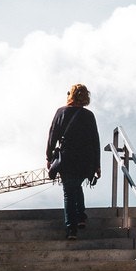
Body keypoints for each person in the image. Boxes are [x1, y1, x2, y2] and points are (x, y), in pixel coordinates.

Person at [45, 84, 101, 240]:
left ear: (70, 95)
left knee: (69, 191)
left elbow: (52, 137)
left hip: (67, 158)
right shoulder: (89, 115)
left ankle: (72, 229)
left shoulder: (61, 112)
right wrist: (97, 164)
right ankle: (81, 216)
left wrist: (49, 157)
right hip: (85, 159)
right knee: (75, 185)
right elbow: (95, 140)